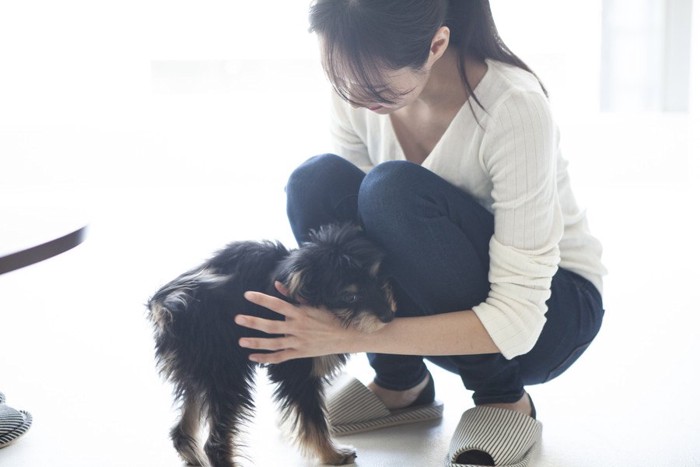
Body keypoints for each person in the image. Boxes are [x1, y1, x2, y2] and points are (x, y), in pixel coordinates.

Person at [235, 0, 606, 465]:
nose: (353, 96)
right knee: (316, 181)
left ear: (436, 46)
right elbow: (364, 236)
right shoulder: (356, 90)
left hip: (549, 313)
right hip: (444, 296)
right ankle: (400, 383)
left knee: (389, 190)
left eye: (373, 86)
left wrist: (344, 336)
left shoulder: (514, 108)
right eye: (339, 78)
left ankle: (503, 399)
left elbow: (520, 318)